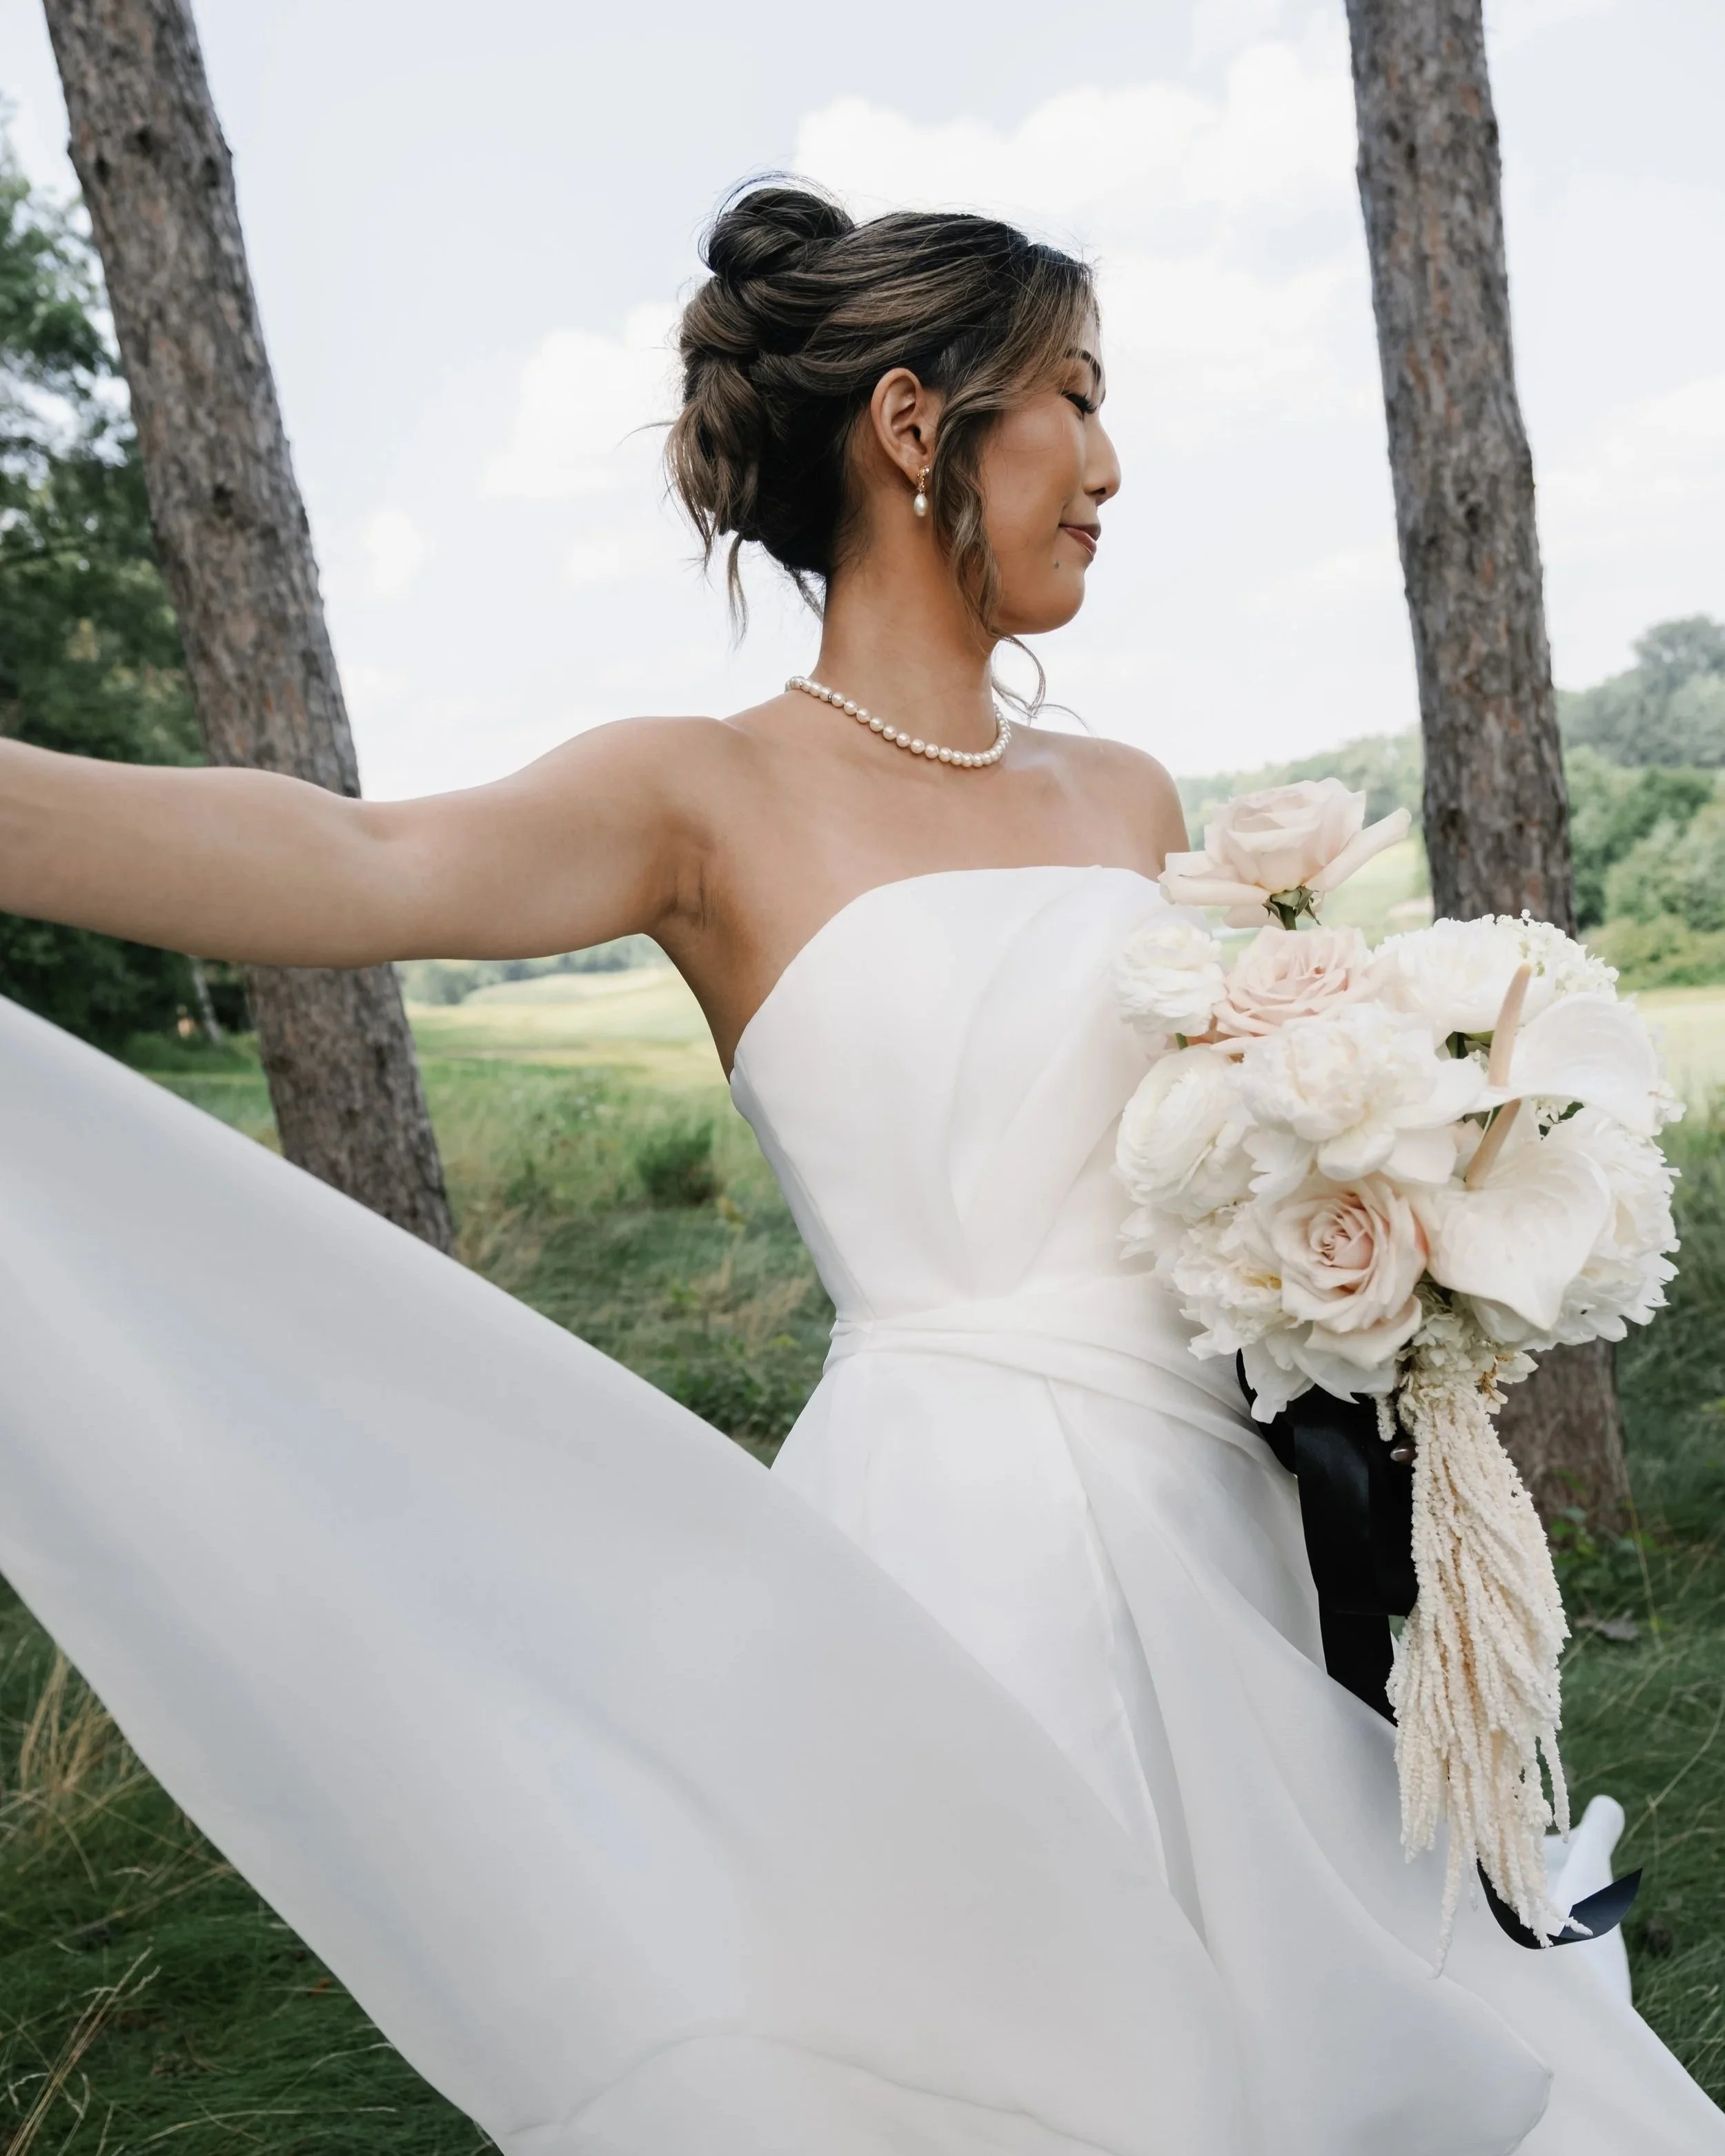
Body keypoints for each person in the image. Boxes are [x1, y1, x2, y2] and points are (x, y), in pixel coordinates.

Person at [0, 182, 1717, 2156]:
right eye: (1070, 394)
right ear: (917, 427)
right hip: (951, 1540)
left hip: (1227, 1522)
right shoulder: (698, 793)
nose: (1109, 462)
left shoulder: (1127, 795)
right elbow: (361, 863)